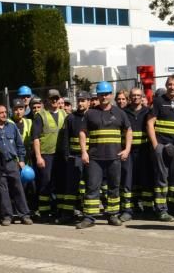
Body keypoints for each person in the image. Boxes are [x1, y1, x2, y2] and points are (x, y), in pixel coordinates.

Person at [78, 83, 133, 228]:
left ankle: (112, 215)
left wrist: (127, 149)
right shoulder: (90, 113)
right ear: (98, 95)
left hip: (114, 158)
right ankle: (89, 218)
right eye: (101, 94)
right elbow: (82, 133)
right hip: (95, 158)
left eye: (107, 93)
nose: (104, 96)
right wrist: (84, 152)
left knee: (114, 188)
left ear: (111, 94)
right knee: (92, 187)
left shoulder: (120, 113)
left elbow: (128, 130)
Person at [147, 76, 174, 222]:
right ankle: (161, 210)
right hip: (161, 147)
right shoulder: (158, 101)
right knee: (161, 179)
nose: (172, 87)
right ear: (166, 85)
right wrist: (156, 145)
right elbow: (150, 124)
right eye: (170, 84)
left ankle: (173, 207)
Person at [0, 102, 33, 226]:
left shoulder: (12, 126)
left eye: (5, 112)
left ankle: (24, 215)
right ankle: (7, 216)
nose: (4, 115)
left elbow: (20, 145)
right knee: (2, 192)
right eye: (1, 112)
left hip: (12, 163)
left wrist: (21, 160)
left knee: (18, 189)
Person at [31, 88, 67, 220]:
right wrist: (38, 156)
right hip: (46, 154)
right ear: (47, 100)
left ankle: (59, 209)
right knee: (46, 182)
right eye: (52, 98)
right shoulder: (40, 115)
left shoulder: (64, 114)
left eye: (56, 98)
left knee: (60, 182)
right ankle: (44, 212)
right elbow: (35, 138)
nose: (55, 101)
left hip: (61, 155)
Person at [59, 91, 91, 223]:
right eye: (79, 100)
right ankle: (67, 214)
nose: (80, 103)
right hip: (74, 157)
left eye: (83, 100)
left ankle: (87, 214)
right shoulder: (71, 118)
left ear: (89, 102)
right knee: (71, 187)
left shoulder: (93, 116)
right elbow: (65, 139)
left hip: (91, 158)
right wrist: (67, 156)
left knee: (90, 186)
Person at [121, 87, 151, 221]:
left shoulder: (148, 112)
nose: (136, 98)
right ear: (130, 97)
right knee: (128, 180)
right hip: (128, 151)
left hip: (144, 151)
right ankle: (128, 210)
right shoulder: (123, 112)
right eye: (133, 95)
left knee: (146, 180)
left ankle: (148, 209)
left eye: (138, 95)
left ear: (142, 96)